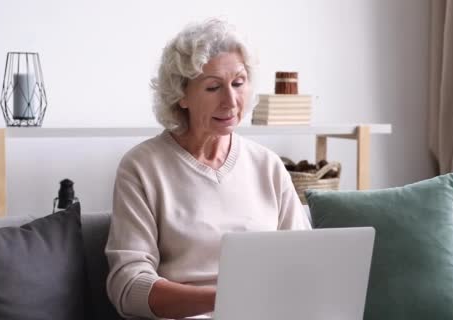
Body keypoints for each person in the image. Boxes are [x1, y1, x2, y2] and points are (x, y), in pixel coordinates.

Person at [105, 18, 311, 320]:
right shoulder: (142, 167)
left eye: (238, 83)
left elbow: (307, 262)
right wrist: (223, 298)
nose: (230, 101)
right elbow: (128, 287)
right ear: (181, 95)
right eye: (213, 87)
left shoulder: (267, 165)